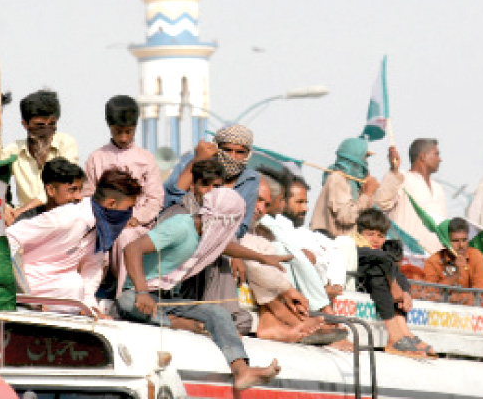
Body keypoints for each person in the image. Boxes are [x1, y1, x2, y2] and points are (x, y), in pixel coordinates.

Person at [119, 187, 284, 391]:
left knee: (216, 312)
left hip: (168, 300)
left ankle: (241, 369)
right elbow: (132, 248)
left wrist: (263, 258)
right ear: (223, 220)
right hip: (139, 294)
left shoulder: (205, 234)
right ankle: (181, 323)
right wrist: (142, 292)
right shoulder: (180, 227)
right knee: (127, 303)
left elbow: (224, 247)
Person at [7, 169, 140, 313]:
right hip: (25, 286)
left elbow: (92, 266)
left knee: (74, 286)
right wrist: (25, 292)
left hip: (59, 288)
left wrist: (90, 306)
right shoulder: (67, 218)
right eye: (128, 208)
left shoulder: (101, 229)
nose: (129, 214)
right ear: (111, 204)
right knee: (73, 288)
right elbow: (10, 238)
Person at [241, 180, 340, 345]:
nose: (261, 209)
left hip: (276, 278)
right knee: (272, 251)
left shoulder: (262, 225)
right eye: (257, 200)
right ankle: (296, 318)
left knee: (275, 250)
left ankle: (271, 321)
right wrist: (288, 290)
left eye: (266, 204)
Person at [159, 158, 252, 335]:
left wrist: (237, 255)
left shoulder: (220, 215)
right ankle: (220, 317)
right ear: (193, 186)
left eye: (216, 187)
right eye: (205, 185)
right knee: (215, 252)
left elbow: (226, 237)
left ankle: (223, 316)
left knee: (244, 321)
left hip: (202, 288)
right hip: (177, 289)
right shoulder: (178, 214)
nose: (210, 192)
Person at [82, 96, 164, 293]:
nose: (124, 137)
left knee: (126, 237)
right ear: (109, 127)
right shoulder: (97, 158)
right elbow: (88, 196)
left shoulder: (145, 159)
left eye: (129, 132)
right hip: (103, 224)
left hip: (136, 226)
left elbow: (155, 198)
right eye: (119, 132)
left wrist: (136, 217)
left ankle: (126, 295)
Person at [355, 208, 436, 358]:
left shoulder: (383, 255)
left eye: (380, 236)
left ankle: (406, 334)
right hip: (360, 285)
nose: (375, 239)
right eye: (370, 234)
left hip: (380, 292)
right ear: (360, 233)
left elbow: (400, 276)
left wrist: (404, 292)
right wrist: (393, 286)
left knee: (388, 268)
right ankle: (394, 336)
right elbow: (382, 258)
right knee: (378, 271)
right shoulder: (356, 247)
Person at [163, 124, 260, 238]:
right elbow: (169, 201)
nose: (232, 157)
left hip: (222, 242)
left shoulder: (250, 179)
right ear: (217, 148)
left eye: (239, 152)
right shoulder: (190, 162)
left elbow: (241, 226)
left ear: (247, 153)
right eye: (227, 150)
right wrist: (196, 161)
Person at [0, 90, 79, 215]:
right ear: (25, 124)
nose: (46, 131)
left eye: (51, 124)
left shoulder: (66, 144)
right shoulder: (13, 151)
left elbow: (64, 185)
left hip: (61, 215)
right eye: (40, 125)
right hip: (25, 221)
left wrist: (23, 210)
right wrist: (6, 210)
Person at [310, 137, 403, 238]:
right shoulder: (337, 179)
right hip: (334, 245)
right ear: (354, 157)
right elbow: (346, 217)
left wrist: (394, 170)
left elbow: (380, 204)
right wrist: (366, 194)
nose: (365, 162)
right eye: (364, 157)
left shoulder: (357, 182)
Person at [282, 175, 357, 295]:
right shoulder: (275, 230)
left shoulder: (307, 234)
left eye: (306, 202)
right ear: (282, 201)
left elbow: (335, 252)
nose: (306, 208)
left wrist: (336, 284)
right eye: (299, 202)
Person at [379, 139, 447, 254]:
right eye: (436, 154)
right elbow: (382, 202)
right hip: (407, 255)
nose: (440, 159)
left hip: (435, 259)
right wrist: (393, 169)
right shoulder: (402, 178)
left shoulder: (438, 188)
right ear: (423, 156)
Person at [12, 157, 85, 223]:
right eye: (72, 190)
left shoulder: (84, 219)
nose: (79, 197)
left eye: (80, 190)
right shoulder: (27, 223)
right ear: (50, 190)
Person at [423, 217, 483, 291]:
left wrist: (451, 299)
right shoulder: (433, 262)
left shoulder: (476, 257)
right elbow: (429, 294)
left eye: (464, 240)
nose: (461, 245)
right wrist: (455, 275)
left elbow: (480, 295)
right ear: (445, 243)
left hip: (464, 302)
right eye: (455, 241)